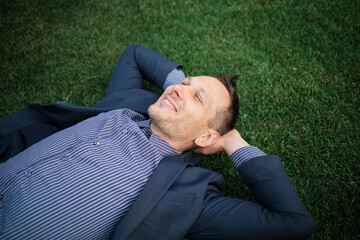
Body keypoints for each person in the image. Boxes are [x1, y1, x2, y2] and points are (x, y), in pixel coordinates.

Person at [0, 44, 316, 239]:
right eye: (184, 83)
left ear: (207, 136)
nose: (180, 88)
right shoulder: (128, 103)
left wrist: (233, 142)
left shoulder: (187, 195)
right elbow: (135, 53)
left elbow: (293, 222)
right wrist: (181, 90)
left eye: (198, 97)